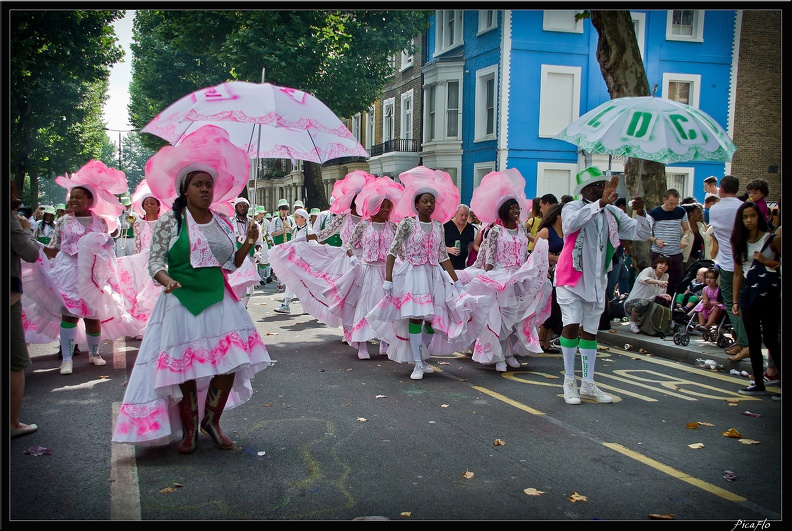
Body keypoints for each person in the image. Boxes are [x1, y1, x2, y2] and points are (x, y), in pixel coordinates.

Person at [112, 125, 272, 453]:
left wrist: (250, 242)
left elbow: (232, 263)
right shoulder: (171, 222)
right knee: (184, 366)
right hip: (180, 299)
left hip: (217, 298)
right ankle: (189, 430)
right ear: (185, 190)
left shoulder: (222, 222)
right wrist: (166, 280)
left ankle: (211, 422)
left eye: (209, 185)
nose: (205, 190)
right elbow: (155, 262)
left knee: (229, 363)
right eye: (198, 184)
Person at [366, 166, 480, 380]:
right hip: (413, 275)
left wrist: (455, 282)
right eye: (425, 201)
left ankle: (421, 356)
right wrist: (389, 280)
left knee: (432, 320)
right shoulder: (408, 224)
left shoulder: (439, 226)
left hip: (433, 276)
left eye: (432, 202)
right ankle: (418, 363)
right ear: (416, 204)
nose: (429, 205)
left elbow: (442, 256)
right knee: (416, 318)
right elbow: (392, 252)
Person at [554, 167, 651, 404]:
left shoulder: (612, 214)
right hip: (572, 280)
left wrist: (641, 212)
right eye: (599, 186)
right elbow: (570, 225)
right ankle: (569, 381)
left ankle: (588, 384)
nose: (605, 189)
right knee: (571, 325)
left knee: (590, 331)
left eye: (605, 185)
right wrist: (598, 204)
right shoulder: (573, 207)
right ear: (586, 189)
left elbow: (641, 232)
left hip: (597, 282)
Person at [33, 160, 136, 375]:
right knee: (69, 314)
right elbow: (54, 248)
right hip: (68, 271)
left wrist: (109, 274)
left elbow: (107, 249)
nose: (75, 200)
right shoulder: (62, 222)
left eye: (80, 197)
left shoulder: (101, 222)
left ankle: (95, 354)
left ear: (90, 200)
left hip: (93, 274)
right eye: (73, 197)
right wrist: (33, 250)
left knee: (92, 314)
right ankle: (67, 359)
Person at [460, 169, 551, 371]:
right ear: (503, 211)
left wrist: (533, 271)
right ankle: (499, 356)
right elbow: (489, 259)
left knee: (516, 317)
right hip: (501, 278)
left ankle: (508, 352)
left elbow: (525, 254)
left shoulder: (523, 230)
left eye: (517, 208)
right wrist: (489, 278)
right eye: (511, 208)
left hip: (519, 277)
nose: (516, 211)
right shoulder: (495, 232)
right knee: (500, 319)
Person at [325, 176, 404, 358]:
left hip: (387, 271)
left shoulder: (392, 227)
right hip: (367, 270)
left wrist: (403, 265)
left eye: (388, 207)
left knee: (385, 307)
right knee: (365, 306)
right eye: (383, 206)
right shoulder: (363, 225)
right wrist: (353, 258)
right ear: (374, 207)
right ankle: (362, 345)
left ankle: (385, 342)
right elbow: (349, 246)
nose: (386, 210)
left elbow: (399, 249)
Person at [731, 201, 781, 396]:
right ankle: (758, 382)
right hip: (747, 292)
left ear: (759, 216)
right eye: (745, 217)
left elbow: (780, 264)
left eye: (752, 216)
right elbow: (737, 273)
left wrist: (765, 261)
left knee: (770, 338)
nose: (749, 220)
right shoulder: (738, 241)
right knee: (752, 339)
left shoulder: (772, 239)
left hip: (769, 292)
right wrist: (735, 300)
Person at [10, 181, 41, 438]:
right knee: (14, 363)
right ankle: (12, 423)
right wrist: (27, 229)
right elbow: (30, 253)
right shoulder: (11, 220)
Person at [708, 175, 750, 361]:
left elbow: (715, 231)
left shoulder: (715, 208)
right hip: (746, 262)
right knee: (743, 303)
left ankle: (745, 341)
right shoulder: (744, 207)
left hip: (726, 262)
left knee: (732, 302)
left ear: (721, 189)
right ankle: (744, 340)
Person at [272, 208, 320, 314]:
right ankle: (287, 304)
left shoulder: (309, 231)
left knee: (306, 285)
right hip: (295, 261)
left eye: (297, 217)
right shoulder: (294, 229)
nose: (295, 219)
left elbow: (314, 247)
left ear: (304, 219)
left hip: (305, 263)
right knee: (292, 281)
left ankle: (307, 307)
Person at [647, 188, 690, 297]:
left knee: (674, 282)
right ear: (664, 200)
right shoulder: (654, 213)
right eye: (670, 203)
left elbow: (686, 229)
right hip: (659, 253)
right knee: (657, 281)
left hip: (675, 253)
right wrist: (655, 240)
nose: (673, 206)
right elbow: (645, 233)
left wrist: (685, 237)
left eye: (676, 203)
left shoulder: (681, 211)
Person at [534, 203, 564, 352]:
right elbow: (535, 252)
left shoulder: (566, 232)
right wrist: (555, 258)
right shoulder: (546, 231)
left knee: (558, 308)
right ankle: (540, 339)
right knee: (548, 306)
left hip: (562, 274)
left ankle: (547, 341)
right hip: (547, 273)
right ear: (558, 215)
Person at [623, 255, 672, 334]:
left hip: (650, 303)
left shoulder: (665, 276)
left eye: (666, 265)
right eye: (661, 263)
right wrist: (658, 282)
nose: (663, 266)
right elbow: (643, 279)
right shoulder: (648, 270)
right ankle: (633, 322)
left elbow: (659, 294)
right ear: (656, 263)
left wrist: (664, 296)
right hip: (632, 304)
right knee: (643, 302)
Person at [230, 197, 264, 307]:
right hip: (234, 258)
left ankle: (244, 306)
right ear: (235, 207)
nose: (242, 208)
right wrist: (236, 238)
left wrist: (258, 252)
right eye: (240, 205)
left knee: (249, 287)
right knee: (234, 283)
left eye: (245, 206)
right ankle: (236, 305)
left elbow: (259, 242)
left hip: (249, 258)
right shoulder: (229, 222)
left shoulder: (254, 224)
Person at [606, 197, 632, 299]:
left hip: (619, 254)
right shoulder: (614, 218)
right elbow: (623, 238)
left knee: (624, 276)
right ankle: (609, 301)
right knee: (612, 280)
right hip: (615, 256)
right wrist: (630, 253)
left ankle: (624, 297)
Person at [268, 199, 293, 290]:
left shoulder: (291, 219)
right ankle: (280, 282)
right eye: (282, 209)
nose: (284, 211)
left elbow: (294, 230)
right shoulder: (275, 220)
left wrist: (289, 227)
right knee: (280, 264)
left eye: (285, 209)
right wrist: (281, 232)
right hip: (279, 244)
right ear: (279, 210)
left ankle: (289, 284)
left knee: (289, 264)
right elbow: (271, 233)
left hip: (289, 244)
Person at [444, 203, 476, 270]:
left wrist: (468, 258)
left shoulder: (470, 228)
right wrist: (448, 249)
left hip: (461, 265)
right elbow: (437, 244)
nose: (464, 217)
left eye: (466, 215)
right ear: (455, 213)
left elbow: (470, 245)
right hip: (446, 264)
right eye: (461, 215)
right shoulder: (446, 225)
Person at [692, 268, 725, 332]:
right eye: (707, 277)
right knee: (701, 306)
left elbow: (720, 302)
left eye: (711, 278)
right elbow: (705, 299)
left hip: (717, 305)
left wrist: (711, 304)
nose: (708, 280)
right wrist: (706, 303)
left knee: (716, 308)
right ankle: (702, 324)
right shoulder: (705, 289)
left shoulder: (719, 289)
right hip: (708, 304)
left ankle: (708, 325)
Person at [681, 203, 710, 272]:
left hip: (699, 258)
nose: (701, 214)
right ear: (691, 214)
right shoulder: (683, 227)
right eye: (698, 212)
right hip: (687, 259)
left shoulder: (700, 226)